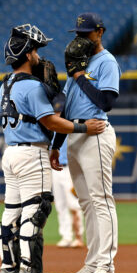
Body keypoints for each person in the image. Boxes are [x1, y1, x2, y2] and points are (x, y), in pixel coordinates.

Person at [0, 23, 106, 273]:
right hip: (32, 154)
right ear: (26, 53)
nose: (38, 56)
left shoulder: (5, 85)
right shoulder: (31, 87)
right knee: (36, 210)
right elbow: (51, 122)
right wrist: (83, 126)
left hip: (10, 154)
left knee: (11, 212)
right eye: (35, 50)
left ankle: (7, 270)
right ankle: (28, 272)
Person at [50, 12, 121, 273]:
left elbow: (106, 102)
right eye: (78, 34)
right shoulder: (79, 62)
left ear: (100, 32)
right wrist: (57, 145)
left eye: (87, 33)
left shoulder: (107, 61)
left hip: (97, 133)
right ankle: (91, 264)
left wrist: (79, 75)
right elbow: (65, 106)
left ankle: (107, 267)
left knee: (101, 200)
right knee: (87, 203)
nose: (81, 39)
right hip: (74, 135)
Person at [52, 97, 84, 248]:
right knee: (60, 204)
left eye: (60, 111)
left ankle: (79, 237)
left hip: (69, 170)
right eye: (55, 111)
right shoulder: (51, 129)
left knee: (74, 204)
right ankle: (66, 236)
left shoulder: (72, 128)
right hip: (55, 170)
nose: (57, 114)